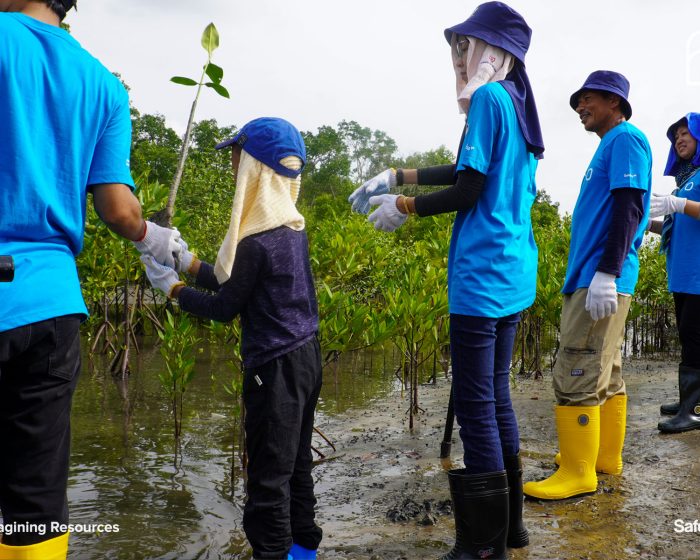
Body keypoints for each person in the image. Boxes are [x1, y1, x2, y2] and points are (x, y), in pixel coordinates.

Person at [349, 2, 544, 557]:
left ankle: (483, 544)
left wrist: (404, 205)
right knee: (497, 395)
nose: (461, 56)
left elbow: (467, 191)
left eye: (467, 45)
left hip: (481, 274)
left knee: (477, 403)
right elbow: (466, 169)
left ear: (490, 50)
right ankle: (511, 529)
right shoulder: (517, 102)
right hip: (513, 271)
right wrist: (397, 173)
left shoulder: (486, 99)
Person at [0, 2, 181, 560]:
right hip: (53, 307)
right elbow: (120, 210)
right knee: (35, 504)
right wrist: (162, 243)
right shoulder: (104, 85)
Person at [140, 117, 323, 560]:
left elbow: (225, 307)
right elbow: (234, 281)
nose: (233, 165)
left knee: (267, 480)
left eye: (237, 157)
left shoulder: (259, 241)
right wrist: (184, 260)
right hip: (306, 359)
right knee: (296, 466)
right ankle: (304, 551)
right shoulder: (291, 228)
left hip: (275, 370)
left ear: (254, 168)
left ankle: (273, 553)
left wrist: (174, 290)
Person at [523, 71, 651, 501]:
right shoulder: (609, 146)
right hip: (594, 276)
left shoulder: (626, 139)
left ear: (614, 102)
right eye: (578, 100)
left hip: (601, 277)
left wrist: (608, 272)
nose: (580, 106)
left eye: (588, 98)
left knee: (576, 368)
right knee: (606, 370)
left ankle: (578, 472)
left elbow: (630, 205)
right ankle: (601, 459)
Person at [647, 113, 700, 434]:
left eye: (686, 133)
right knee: (689, 337)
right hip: (683, 275)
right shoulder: (687, 179)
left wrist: (677, 204)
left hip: (697, 276)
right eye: (676, 135)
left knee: (695, 339)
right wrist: (645, 225)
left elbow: (683, 209)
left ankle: (694, 410)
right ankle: (690, 398)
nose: (679, 139)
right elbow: (676, 226)